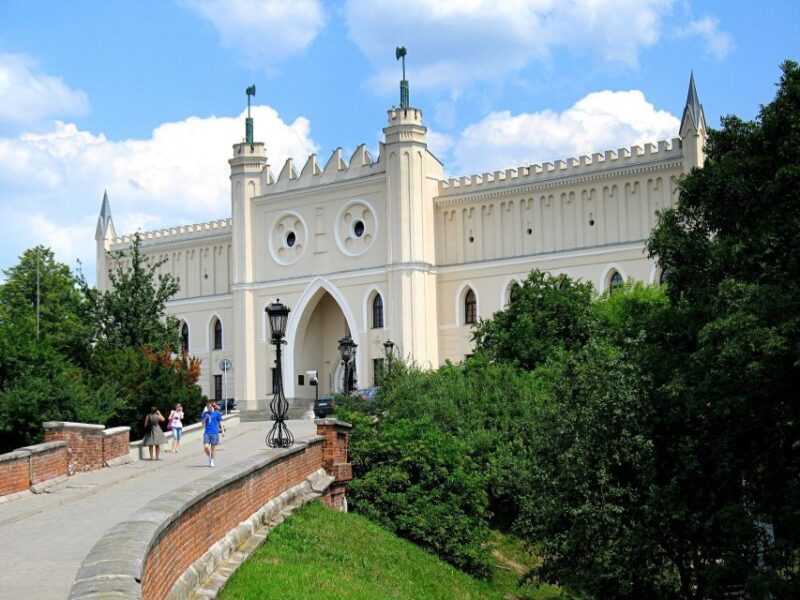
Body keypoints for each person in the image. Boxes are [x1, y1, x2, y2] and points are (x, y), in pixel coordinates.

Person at [202, 401, 224, 467]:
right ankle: (209, 457)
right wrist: (204, 419)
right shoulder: (205, 413)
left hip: (214, 432)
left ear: (212, 406)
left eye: (209, 407)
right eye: (207, 407)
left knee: (213, 448)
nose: (208, 408)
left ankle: (211, 460)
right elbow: (202, 423)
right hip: (207, 432)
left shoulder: (217, 413)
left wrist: (222, 431)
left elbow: (220, 422)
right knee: (206, 447)